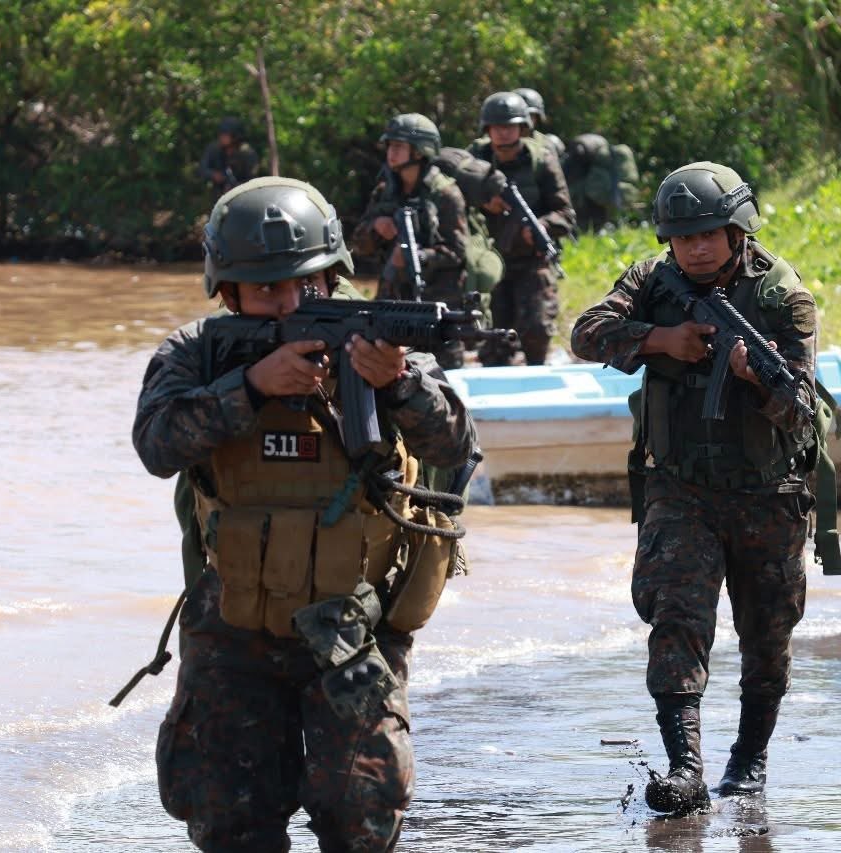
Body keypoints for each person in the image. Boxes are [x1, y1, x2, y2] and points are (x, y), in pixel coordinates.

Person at [132, 177, 477, 851]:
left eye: (308, 285)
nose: (291, 303)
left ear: (333, 276)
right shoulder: (198, 352)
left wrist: (396, 383)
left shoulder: (376, 340)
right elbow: (156, 444)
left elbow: (455, 445)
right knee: (229, 819)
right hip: (234, 624)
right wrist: (251, 388)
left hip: (352, 621)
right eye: (268, 290)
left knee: (361, 816)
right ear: (227, 291)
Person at [570, 162, 820, 816]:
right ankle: (686, 768)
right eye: (684, 237)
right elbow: (586, 333)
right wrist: (661, 340)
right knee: (676, 617)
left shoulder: (781, 296)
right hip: (680, 488)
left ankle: (750, 759)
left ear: (737, 232)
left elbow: (802, 412)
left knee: (768, 633)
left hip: (768, 492)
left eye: (709, 234)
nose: (697, 248)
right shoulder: (652, 280)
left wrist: (756, 378)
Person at [351, 113, 470, 369]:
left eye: (399, 146)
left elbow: (457, 251)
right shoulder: (384, 191)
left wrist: (417, 257)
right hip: (393, 300)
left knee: (445, 375)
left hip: (437, 301)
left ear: (419, 151)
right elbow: (359, 246)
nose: (391, 153)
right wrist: (375, 229)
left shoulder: (445, 194)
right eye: (390, 146)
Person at [469, 91, 575, 366]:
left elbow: (566, 214)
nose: (503, 132)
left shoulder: (541, 160)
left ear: (523, 127)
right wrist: (483, 202)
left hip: (531, 261)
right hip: (489, 260)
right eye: (497, 127)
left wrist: (542, 226)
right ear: (487, 129)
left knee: (536, 332)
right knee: (493, 341)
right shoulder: (474, 159)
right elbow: (450, 196)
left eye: (510, 126)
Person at [197, 116, 260, 197]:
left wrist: (237, 187)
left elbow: (252, 180)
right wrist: (214, 175)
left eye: (225, 135)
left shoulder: (247, 153)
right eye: (221, 134)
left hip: (242, 194)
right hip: (219, 194)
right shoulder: (214, 149)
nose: (222, 137)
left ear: (235, 136)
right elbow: (202, 168)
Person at [513, 86, 566, 161]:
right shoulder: (498, 146)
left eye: (530, 115)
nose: (526, 120)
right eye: (520, 116)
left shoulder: (548, 144)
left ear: (537, 118)